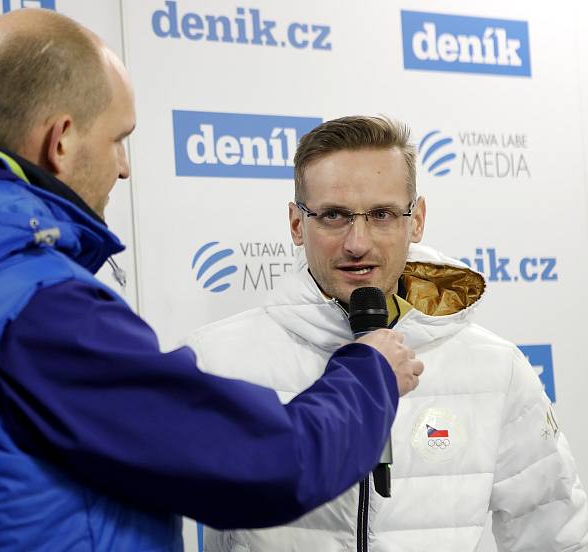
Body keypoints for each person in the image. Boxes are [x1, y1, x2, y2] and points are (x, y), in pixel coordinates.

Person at [0, 11, 424, 552]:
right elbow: (271, 464)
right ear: (60, 142)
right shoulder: (36, 311)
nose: (125, 167)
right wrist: (369, 374)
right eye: (118, 139)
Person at [186, 115, 588, 551]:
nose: (357, 242)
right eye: (334, 215)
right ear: (297, 224)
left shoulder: (496, 367)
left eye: (381, 214)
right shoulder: (215, 361)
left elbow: (556, 536)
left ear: (416, 220)